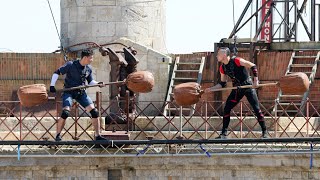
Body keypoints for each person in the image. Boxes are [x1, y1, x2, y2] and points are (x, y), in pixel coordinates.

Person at [205, 47, 268, 139]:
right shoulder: (222, 67)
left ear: (223, 55)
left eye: (218, 54)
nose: (216, 56)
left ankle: (264, 132)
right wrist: (211, 89)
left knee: (256, 108)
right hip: (237, 89)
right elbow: (222, 83)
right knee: (227, 108)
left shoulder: (237, 60)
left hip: (248, 86)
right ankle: (224, 133)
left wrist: (256, 81)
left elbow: (252, 65)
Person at [50, 49, 108, 141]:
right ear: (85, 57)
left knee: (94, 112)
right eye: (91, 58)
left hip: (81, 93)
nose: (91, 60)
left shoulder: (88, 68)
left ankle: (98, 136)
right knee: (65, 113)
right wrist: (52, 85)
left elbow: (91, 81)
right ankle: (57, 136)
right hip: (69, 91)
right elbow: (57, 72)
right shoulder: (71, 65)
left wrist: (98, 83)